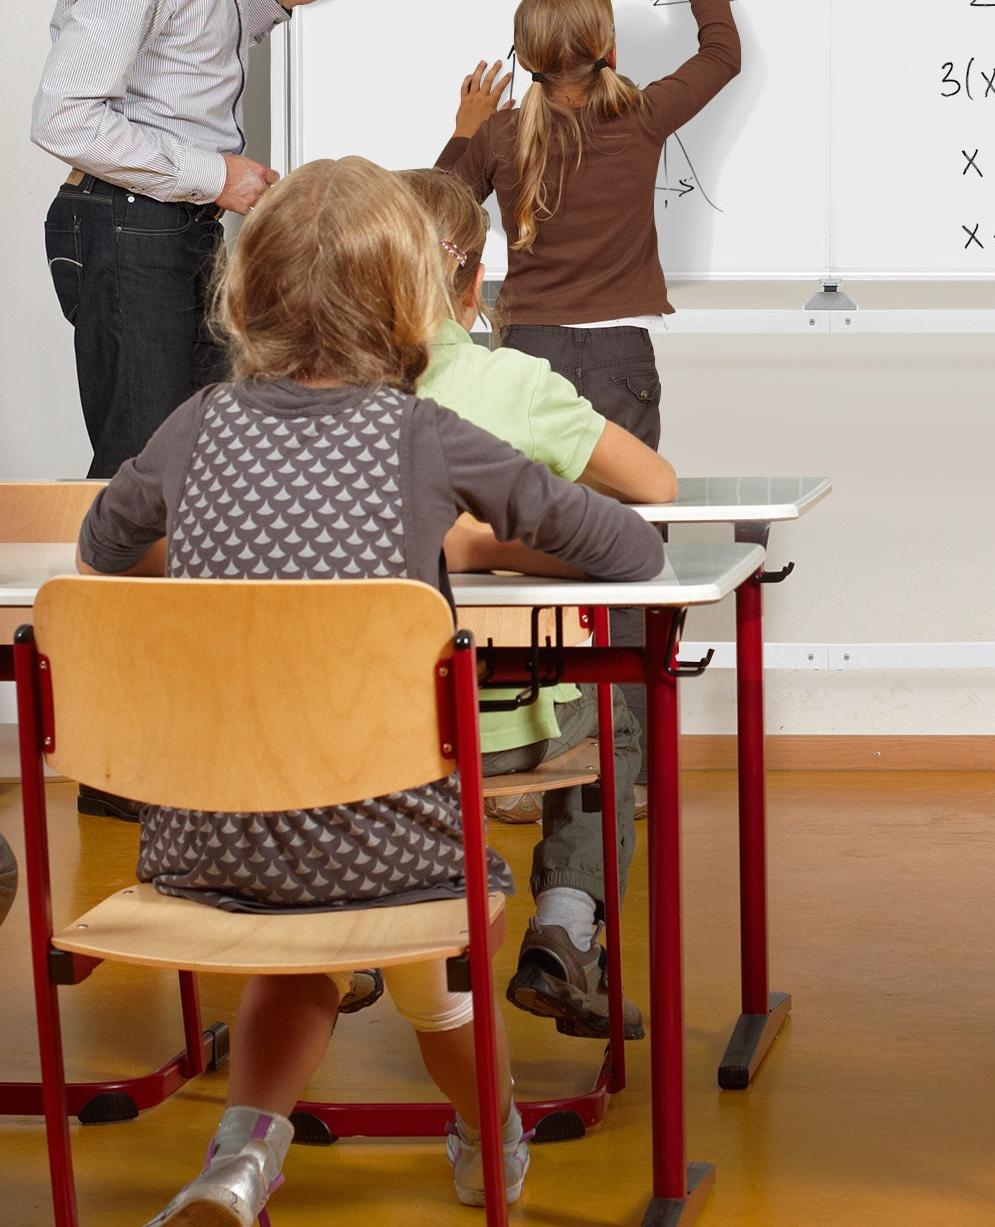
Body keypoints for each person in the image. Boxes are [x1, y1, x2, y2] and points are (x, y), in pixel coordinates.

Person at [75, 157, 663, 1226]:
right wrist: (476, 537)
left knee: (309, 945)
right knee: (423, 936)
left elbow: (101, 543)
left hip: (205, 842)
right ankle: (493, 1140)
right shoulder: (422, 434)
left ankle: (240, 1161)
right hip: (393, 844)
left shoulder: (196, 423)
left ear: (244, 298)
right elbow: (629, 545)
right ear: (413, 306)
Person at [33, 0, 385, 480]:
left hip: (171, 226)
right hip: (128, 232)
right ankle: (104, 606)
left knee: (205, 467)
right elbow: (63, 115)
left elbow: (182, 49)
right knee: (143, 475)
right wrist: (217, 175)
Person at [438, 0, 740, 769]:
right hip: (616, 360)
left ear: (523, 59)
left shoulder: (497, 133)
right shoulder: (637, 115)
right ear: (607, 48)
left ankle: (525, 742)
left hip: (522, 358)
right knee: (623, 554)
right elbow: (723, 54)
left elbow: (437, 217)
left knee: (519, 550)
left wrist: (462, 134)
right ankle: (627, 765)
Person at [399, 166, 673, 1038]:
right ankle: (564, 924)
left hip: (370, 727)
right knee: (610, 711)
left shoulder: (312, 401)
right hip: (509, 725)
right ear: (477, 282)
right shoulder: (513, 384)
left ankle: (365, 933)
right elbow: (655, 487)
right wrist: (496, 544)